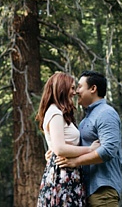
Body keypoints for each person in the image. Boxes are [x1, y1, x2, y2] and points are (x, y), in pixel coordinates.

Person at [56, 71, 122, 206]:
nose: (76, 92)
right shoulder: (86, 119)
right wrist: (55, 152)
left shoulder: (106, 113)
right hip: (86, 191)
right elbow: (80, 148)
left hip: (102, 191)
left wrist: (76, 161)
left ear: (93, 89)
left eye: (80, 87)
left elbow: (109, 150)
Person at [36, 72, 96, 206]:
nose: (75, 92)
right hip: (62, 174)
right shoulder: (55, 112)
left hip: (69, 173)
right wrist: (90, 149)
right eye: (72, 88)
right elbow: (60, 148)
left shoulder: (60, 113)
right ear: (62, 88)